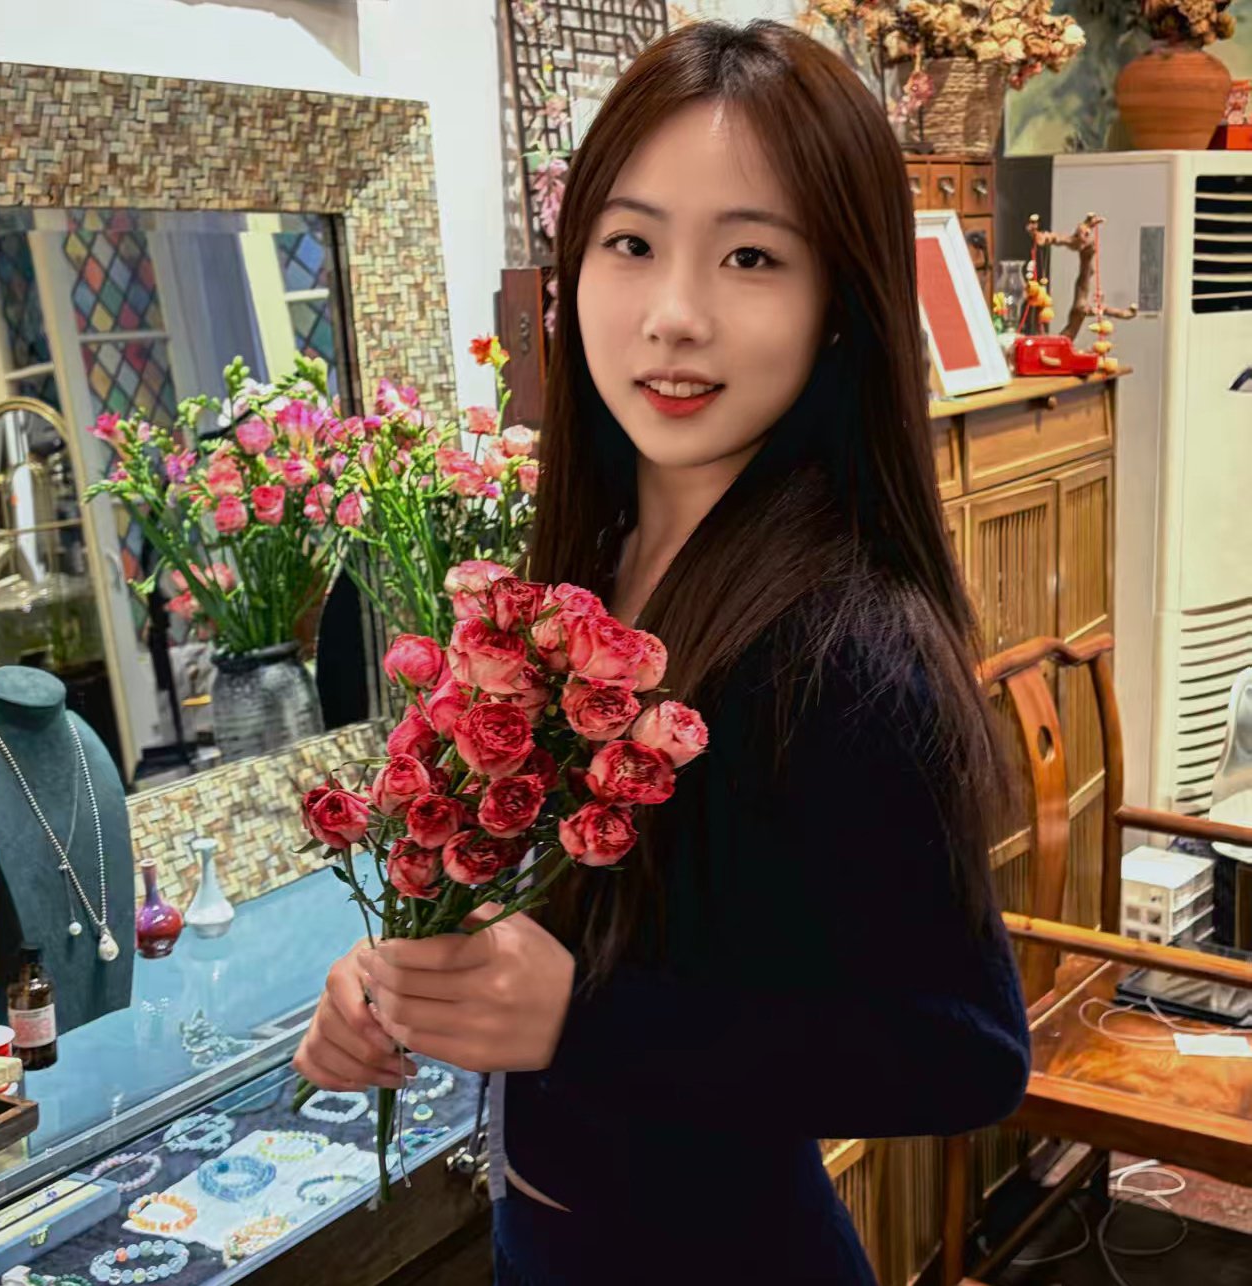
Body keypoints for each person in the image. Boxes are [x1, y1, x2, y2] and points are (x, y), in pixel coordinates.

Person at [294, 19, 1030, 1285]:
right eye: (631, 244)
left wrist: (585, 1018)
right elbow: (577, 919)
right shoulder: (584, 578)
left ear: (840, 305)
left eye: (751, 257)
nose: (674, 316)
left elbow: (965, 1051)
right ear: (571, 269)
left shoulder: (843, 643)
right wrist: (402, 972)